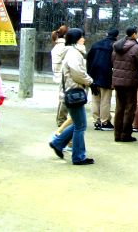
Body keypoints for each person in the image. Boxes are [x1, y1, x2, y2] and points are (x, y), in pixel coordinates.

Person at [49, 28, 95, 165]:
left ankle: (58, 143)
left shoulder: (71, 51)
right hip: (73, 92)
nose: (84, 39)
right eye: (82, 37)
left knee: (77, 124)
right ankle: (78, 156)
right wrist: (90, 82)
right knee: (81, 126)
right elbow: (78, 73)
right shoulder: (74, 53)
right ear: (77, 39)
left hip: (71, 92)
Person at [112, 25, 138, 142]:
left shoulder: (117, 45)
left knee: (119, 107)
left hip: (117, 81)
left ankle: (117, 134)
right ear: (134, 34)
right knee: (130, 108)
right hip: (130, 81)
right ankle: (126, 134)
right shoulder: (136, 47)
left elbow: (112, 61)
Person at [86, 27, 118, 131]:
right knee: (105, 100)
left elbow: (89, 60)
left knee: (95, 99)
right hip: (107, 75)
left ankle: (96, 121)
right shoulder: (114, 46)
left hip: (94, 75)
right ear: (116, 36)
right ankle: (105, 122)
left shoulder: (96, 44)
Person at [50, 25, 69, 127]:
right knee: (64, 98)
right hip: (63, 74)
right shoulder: (64, 47)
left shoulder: (57, 45)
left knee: (62, 97)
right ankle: (61, 119)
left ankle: (60, 118)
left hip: (58, 73)